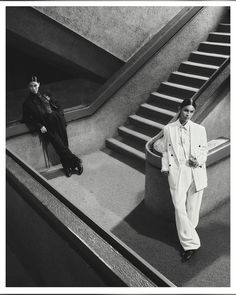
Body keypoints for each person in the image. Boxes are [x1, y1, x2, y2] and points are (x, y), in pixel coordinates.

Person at [161, 98, 208, 262]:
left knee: (192, 208)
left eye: (191, 111)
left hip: (195, 170)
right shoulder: (168, 129)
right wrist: (165, 168)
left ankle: (189, 233)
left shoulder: (200, 129)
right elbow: (166, 151)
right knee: (179, 207)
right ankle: (191, 244)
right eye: (186, 110)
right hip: (177, 171)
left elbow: (204, 150)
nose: (188, 114)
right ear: (179, 109)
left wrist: (199, 160)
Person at [22, 76, 83, 177]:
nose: (34, 88)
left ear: (39, 84)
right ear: (28, 87)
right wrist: (39, 125)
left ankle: (68, 167)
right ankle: (77, 163)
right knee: (60, 147)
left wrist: (63, 121)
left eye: (35, 85)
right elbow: (27, 118)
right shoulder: (27, 103)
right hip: (48, 126)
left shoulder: (46, 94)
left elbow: (58, 107)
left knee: (64, 145)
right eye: (31, 86)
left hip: (58, 121)